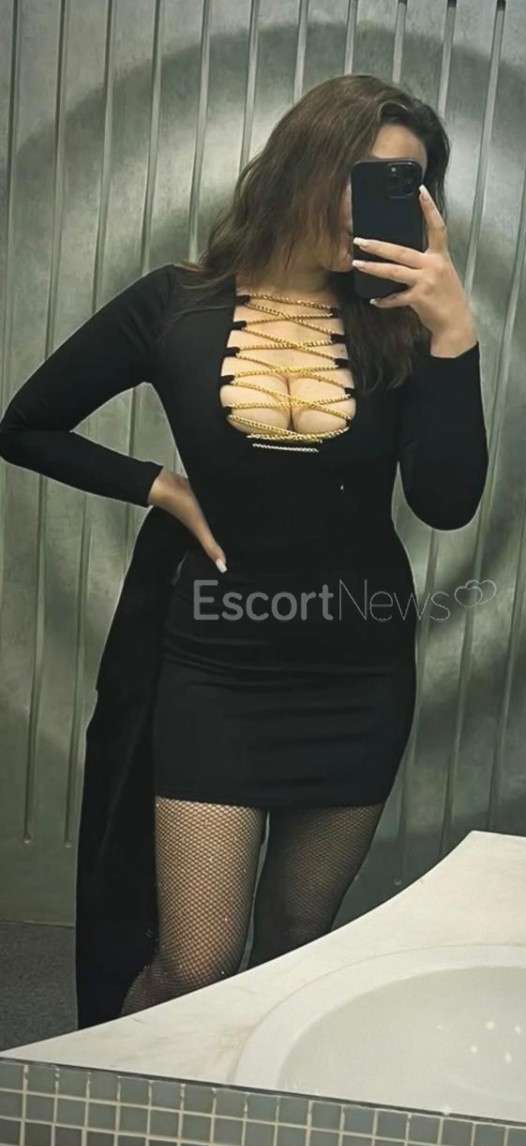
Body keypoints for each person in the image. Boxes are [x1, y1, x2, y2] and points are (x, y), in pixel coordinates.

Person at [0, 74, 488, 1020]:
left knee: (297, 942)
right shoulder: (174, 304)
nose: (369, 204)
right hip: (216, 670)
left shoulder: (400, 324)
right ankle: (119, 1096)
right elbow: (26, 426)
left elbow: (446, 503)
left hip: (357, 673)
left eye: (402, 184)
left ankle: (240, 1108)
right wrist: (163, 487)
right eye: (360, 174)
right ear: (302, 164)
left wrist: (452, 332)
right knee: (194, 962)